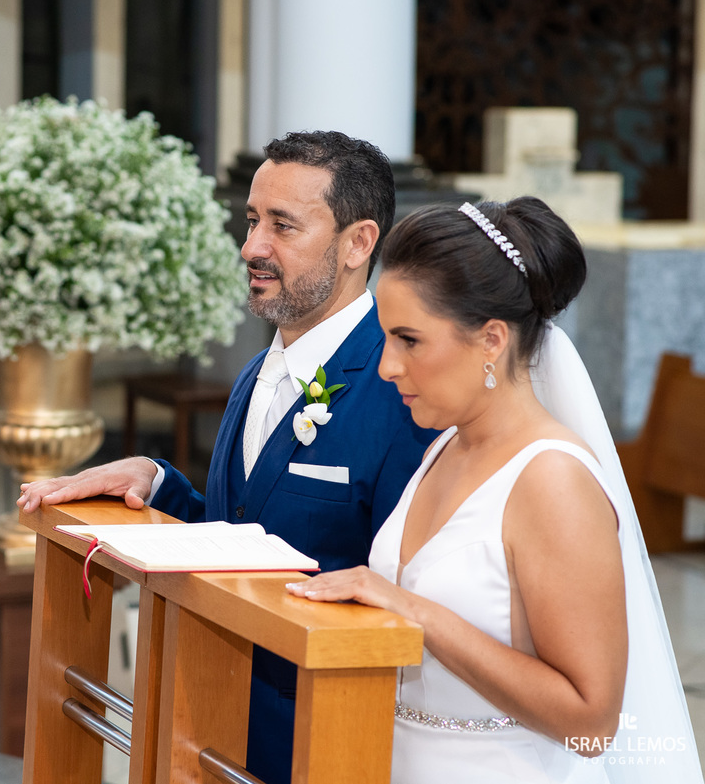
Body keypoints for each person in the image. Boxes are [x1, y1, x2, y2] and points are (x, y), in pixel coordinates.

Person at [18, 130, 437, 784]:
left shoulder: (401, 392)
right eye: (251, 221)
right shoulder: (254, 374)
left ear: (358, 243)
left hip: (318, 744)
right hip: (209, 730)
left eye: (282, 226)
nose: (251, 247)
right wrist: (157, 483)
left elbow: (407, 598)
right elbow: (245, 534)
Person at [289, 197, 703, 783]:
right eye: (385, 338)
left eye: (409, 340)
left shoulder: (553, 480)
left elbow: (592, 722)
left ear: (491, 340)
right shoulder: (441, 449)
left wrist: (417, 612)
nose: (387, 366)